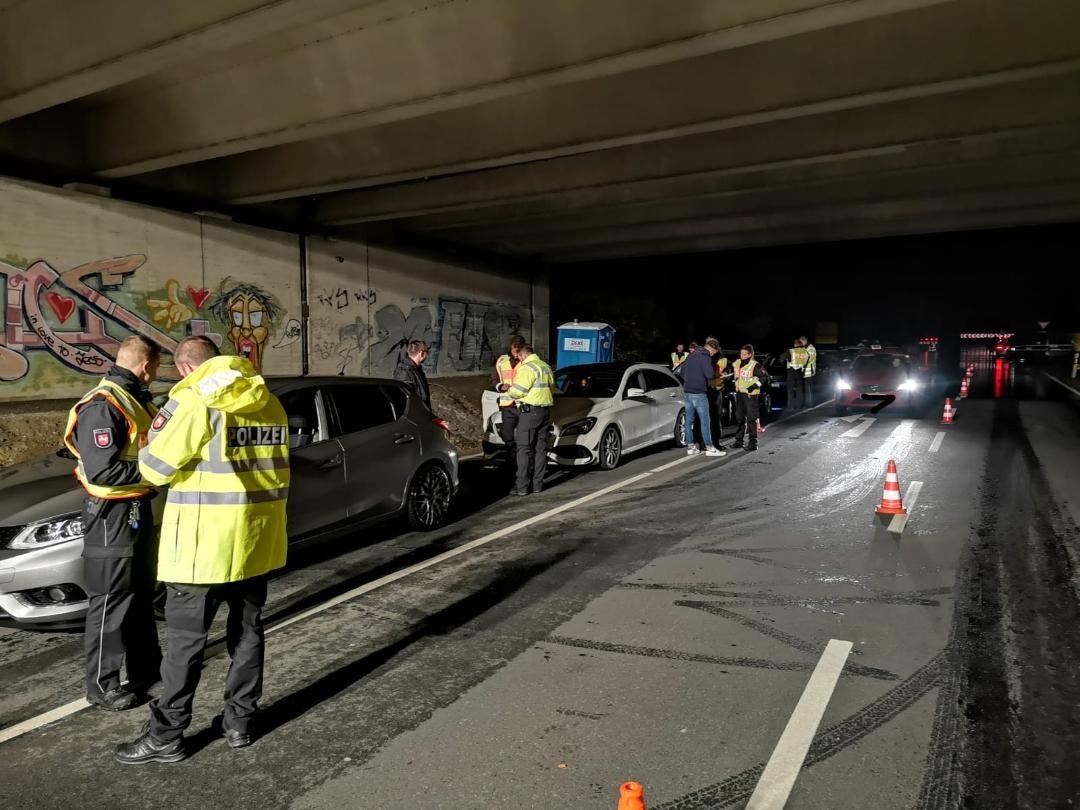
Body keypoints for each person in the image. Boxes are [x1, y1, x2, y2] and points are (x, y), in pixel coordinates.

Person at [114, 336, 289, 764]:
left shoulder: (193, 401)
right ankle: (240, 723)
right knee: (247, 635)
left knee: (185, 647)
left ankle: (166, 735)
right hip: (255, 544)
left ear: (187, 368)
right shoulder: (269, 402)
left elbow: (153, 469)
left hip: (200, 550)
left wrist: (149, 444)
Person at [63, 336, 164, 712]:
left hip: (136, 509)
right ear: (146, 366)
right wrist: (159, 469)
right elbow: (104, 470)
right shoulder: (103, 406)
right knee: (109, 602)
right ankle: (103, 686)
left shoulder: (137, 399)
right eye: (154, 370)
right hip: (110, 517)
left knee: (139, 594)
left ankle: (146, 670)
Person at [505, 344, 555, 496]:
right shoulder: (545, 366)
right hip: (544, 412)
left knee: (523, 449)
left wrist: (509, 389)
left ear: (523, 355)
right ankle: (537, 485)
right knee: (540, 449)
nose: (519, 360)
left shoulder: (527, 368)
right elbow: (552, 388)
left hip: (529, 412)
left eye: (519, 357)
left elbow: (518, 391)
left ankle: (522, 487)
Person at [681, 340, 726, 458]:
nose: (712, 355)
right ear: (711, 349)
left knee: (689, 421)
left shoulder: (690, 356)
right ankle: (709, 448)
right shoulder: (705, 357)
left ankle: (691, 447)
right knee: (705, 421)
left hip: (687, 392)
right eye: (713, 353)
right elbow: (709, 375)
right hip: (699, 393)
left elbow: (682, 372)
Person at [492, 336, 526, 468]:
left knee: (524, 437)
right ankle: (512, 461)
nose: (516, 349)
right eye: (514, 346)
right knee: (508, 436)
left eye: (519, 346)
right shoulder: (501, 360)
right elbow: (494, 379)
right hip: (507, 405)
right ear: (510, 346)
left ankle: (522, 463)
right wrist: (499, 386)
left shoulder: (526, 361)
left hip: (522, 404)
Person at [732, 344, 768, 452]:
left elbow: (764, 377)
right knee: (739, 418)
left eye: (744, 354)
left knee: (751, 419)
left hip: (750, 395)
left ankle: (753, 443)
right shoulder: (737, 363)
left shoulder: (755, 365)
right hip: (740, 394)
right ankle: (739, 441)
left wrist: (752, 388)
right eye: (741, 353)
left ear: (750, 355)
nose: (741, 356)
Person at [394, 340, 432, 410]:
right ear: (421, 353)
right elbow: (404, 402)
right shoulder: (404, 373)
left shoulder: (417, 370)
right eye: (427, 352)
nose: (427, 355)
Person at [706, 337, 728, 450]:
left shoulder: (721, 359)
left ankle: (716, 442)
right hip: (706, 390)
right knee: (706, 417)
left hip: (717, 389)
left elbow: (723, 372)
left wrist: (723, 375)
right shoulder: (704, 358)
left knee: (715, 417)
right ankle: (705, 442)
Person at [787, 338, 809, 411]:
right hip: (800, 371)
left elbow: (788, 361)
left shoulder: (791, 351)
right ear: (800, 344)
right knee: (799, 390)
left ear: (794, 345)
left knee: (790, 390)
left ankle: (791, 406)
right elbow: (806, 361)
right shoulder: (805, 351)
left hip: (791, 371)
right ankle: (799, 405)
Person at [800, 336, 817, 408]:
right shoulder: (812, 348)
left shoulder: (808, 349)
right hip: (811, 370)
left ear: (805, 340)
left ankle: (808, 404)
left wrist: (802, 367)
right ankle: (810, 403)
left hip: (807, 371)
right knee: (810, 389)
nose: (801, 343)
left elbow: (806, 359)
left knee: (807, 389)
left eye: (801, 342)